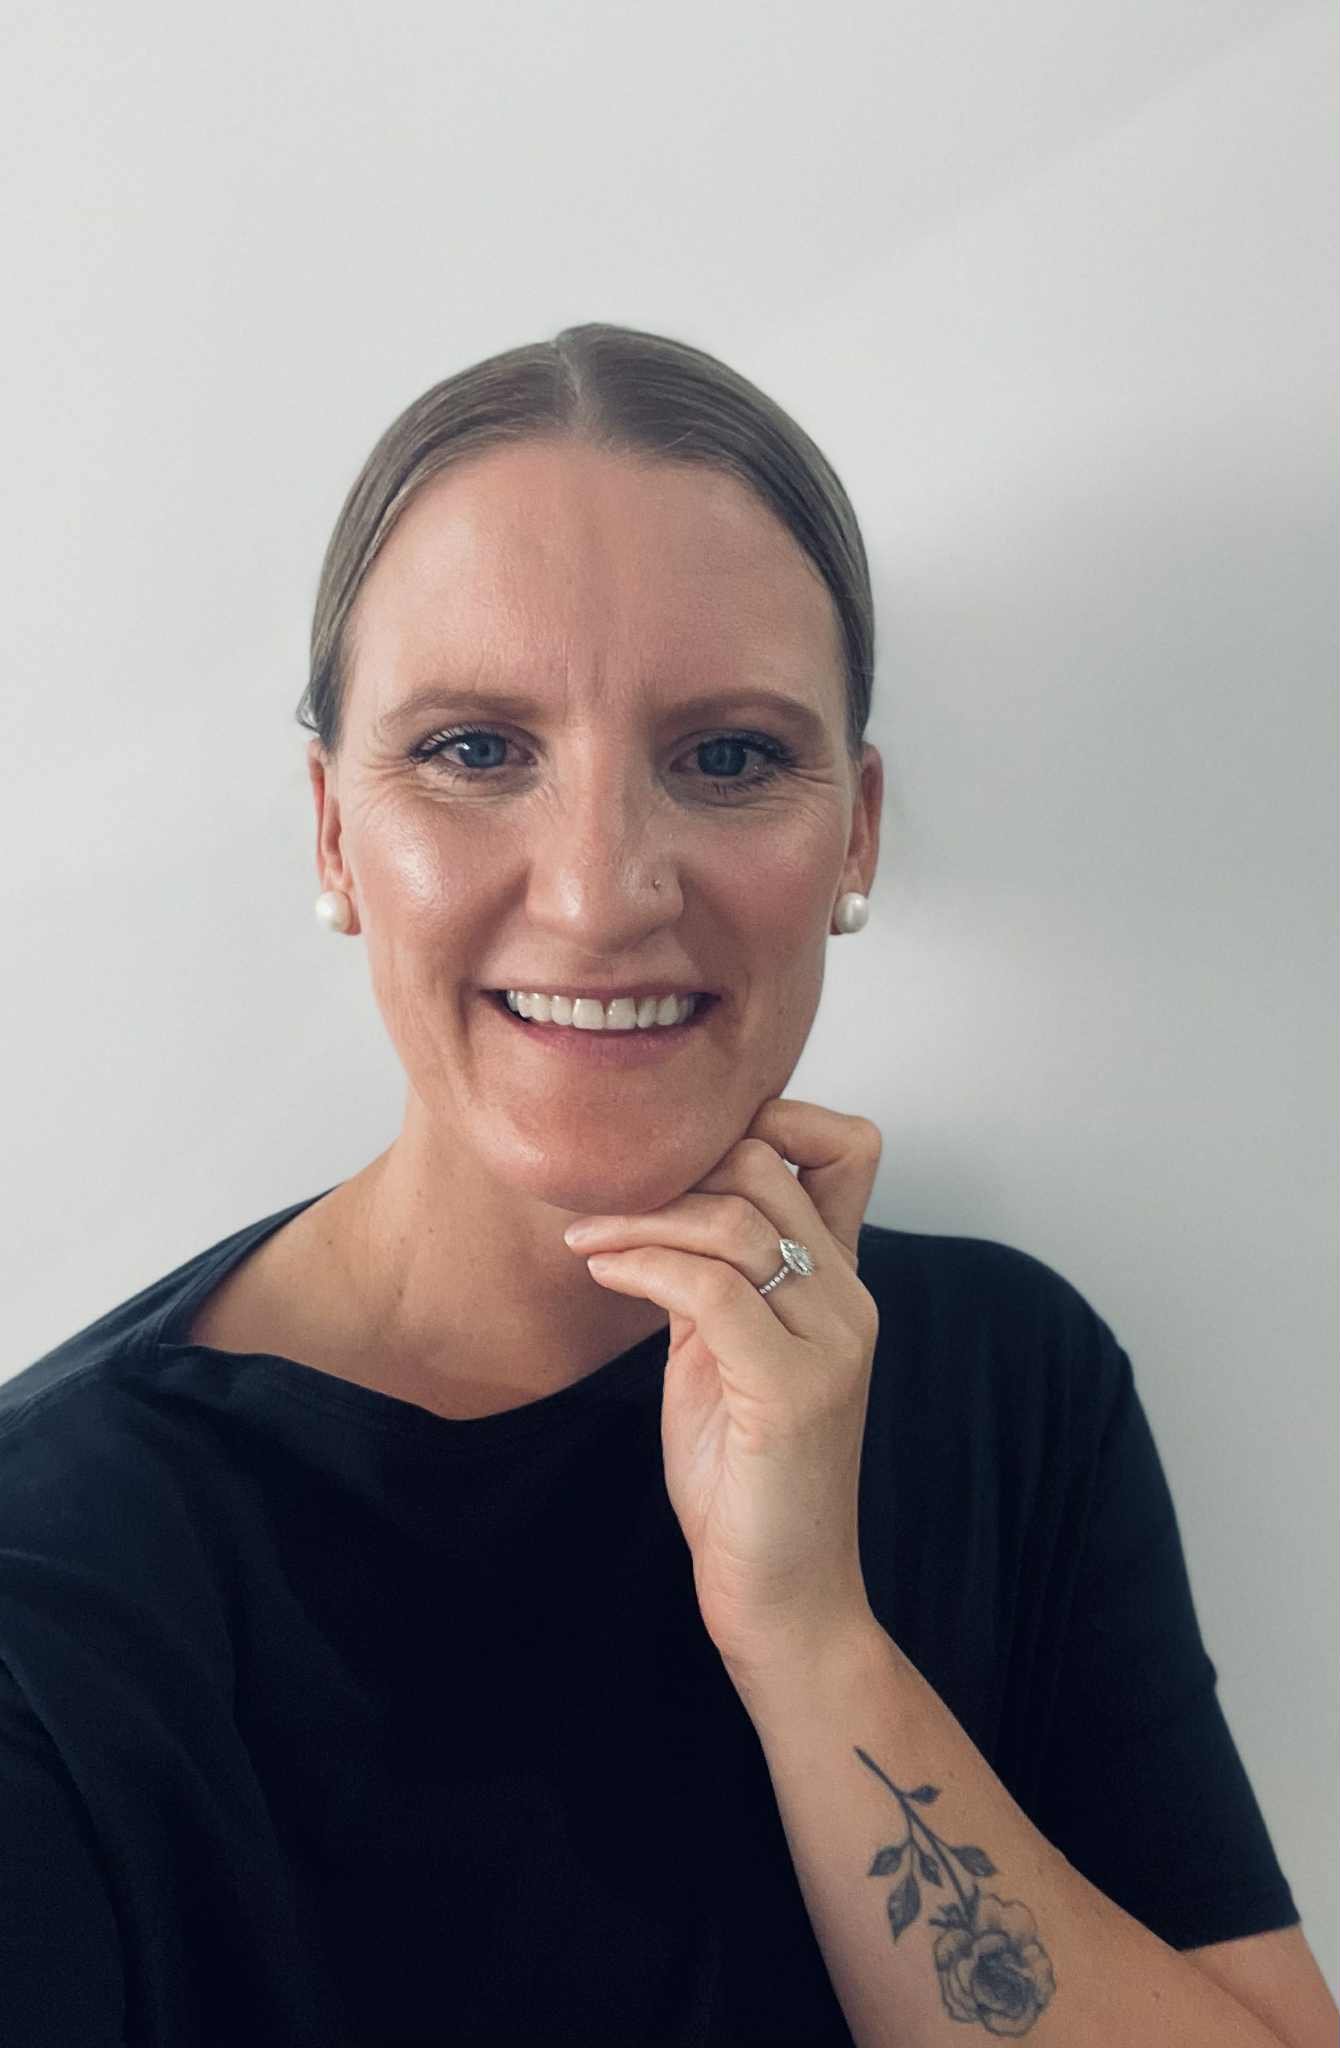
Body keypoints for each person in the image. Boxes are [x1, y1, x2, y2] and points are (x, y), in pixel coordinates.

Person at [1, 323, 1332, 2048]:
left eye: (727, 758)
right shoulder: (55, 1578)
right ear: (334, 833)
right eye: (475, 749)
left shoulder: (1012, 1379)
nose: (601, 892)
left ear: (855, 835)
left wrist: (808, 1634)